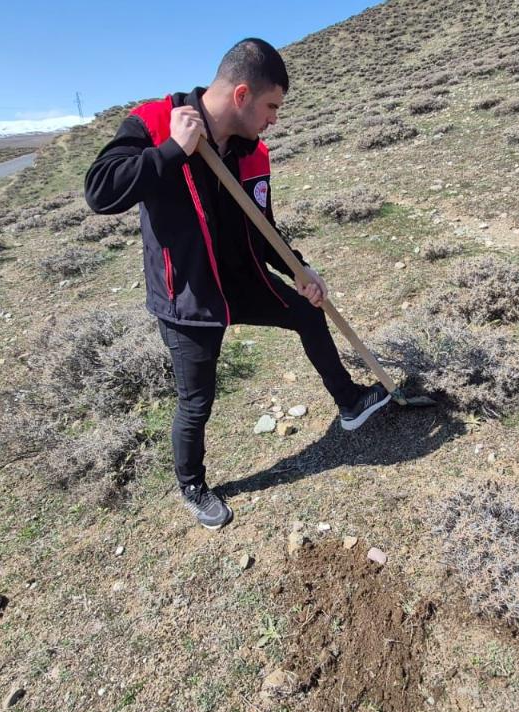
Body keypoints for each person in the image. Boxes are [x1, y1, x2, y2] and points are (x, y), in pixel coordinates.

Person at [84, 38, 391, 531]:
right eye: (272, 106)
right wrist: (170, 153)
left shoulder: (253, 151)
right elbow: (100, 192)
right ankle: (192, 485)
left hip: (241, 279)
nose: (274, 118)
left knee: (307, 311)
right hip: (187, 295)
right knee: (197, 399)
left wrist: (299, 269)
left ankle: (350, 403)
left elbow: (262, 224)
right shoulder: (153, 122)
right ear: (243, 94)